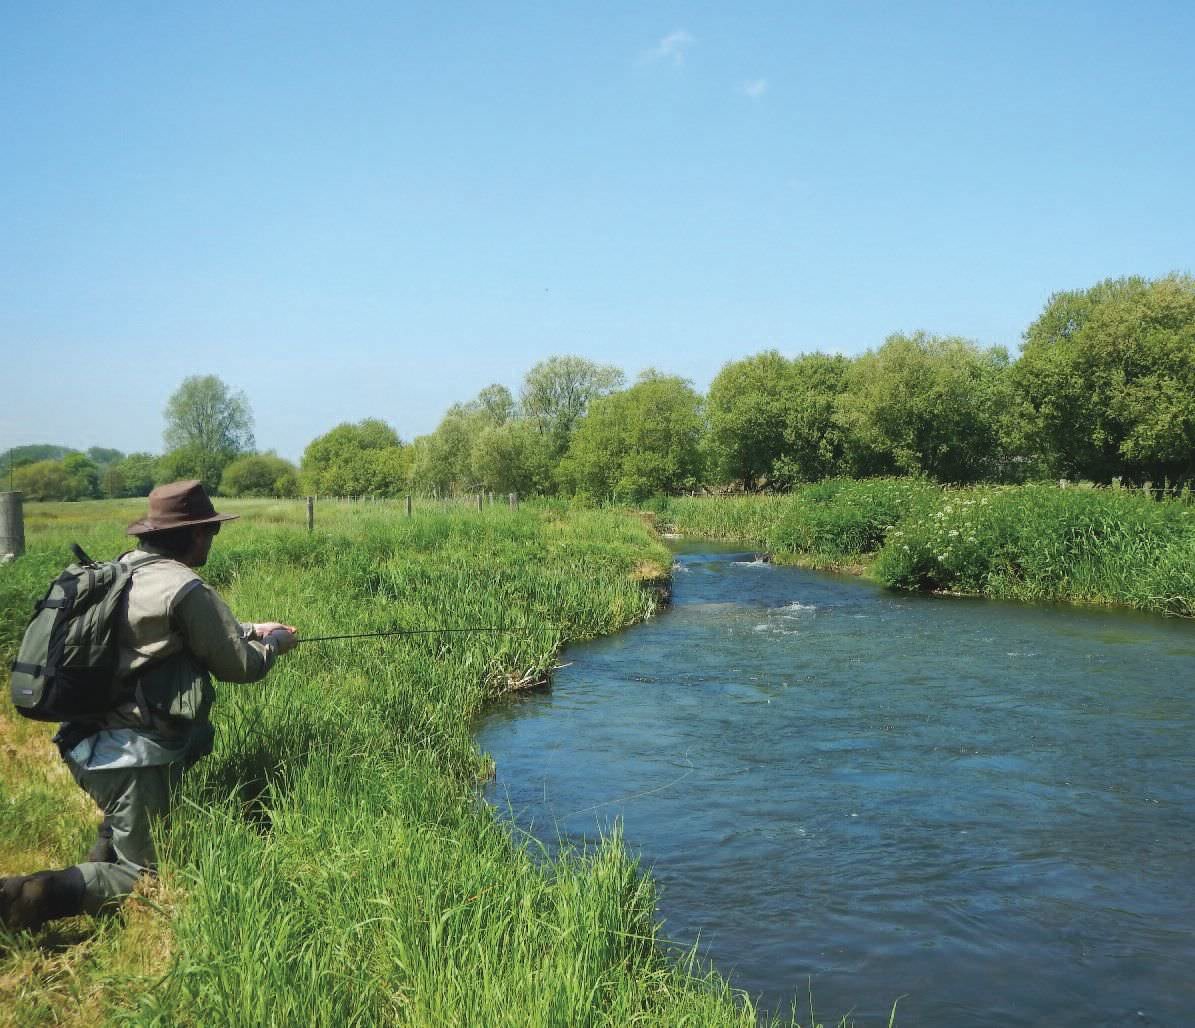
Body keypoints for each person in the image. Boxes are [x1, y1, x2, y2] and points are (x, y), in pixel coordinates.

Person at [0, 480, 298, 931]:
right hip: (131, 754)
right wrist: (274, 644)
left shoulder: (121, 570)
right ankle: (22, 897)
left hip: (82, 739)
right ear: (196, 533)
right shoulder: (184, 586)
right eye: (211, 531)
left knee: (200, 736)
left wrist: (253, 627)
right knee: (140, 878)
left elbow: (165, 632)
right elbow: (241, 667)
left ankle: (114, 833)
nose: (212, 540)